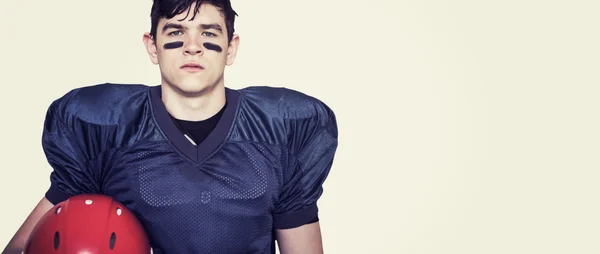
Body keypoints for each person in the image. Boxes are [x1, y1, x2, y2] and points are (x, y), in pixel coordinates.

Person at [1, 0, 338, 253]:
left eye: (208, 32)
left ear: (231, 48)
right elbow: (21, 248)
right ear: (153, 46)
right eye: (176, 31)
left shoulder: (279, 132)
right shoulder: (107, 130)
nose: (193, 46)